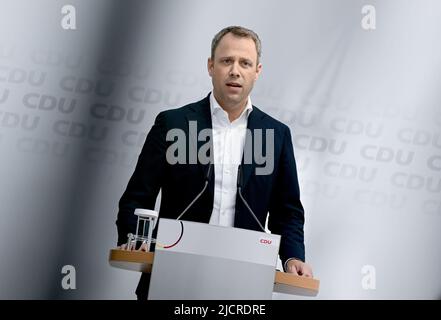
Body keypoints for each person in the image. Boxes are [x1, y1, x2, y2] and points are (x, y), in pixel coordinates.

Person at [116, 26, 313, 300]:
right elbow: (137, 196)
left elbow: (288, 212)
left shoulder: (276, 135)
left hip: (242, 282)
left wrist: (293, 257)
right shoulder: (173, 124)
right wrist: (132, 237)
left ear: (257, 71)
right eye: (226, 61)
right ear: (211, 66)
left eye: (245, 63)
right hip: (171, 277)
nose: (235, 70)